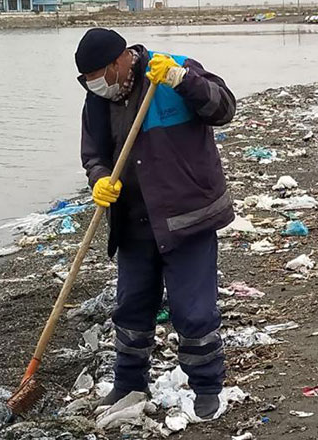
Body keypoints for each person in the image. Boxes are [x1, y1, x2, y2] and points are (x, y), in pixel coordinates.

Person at [73, 28, 236, 420]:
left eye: (98, 74)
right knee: (131, 308)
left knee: (194, 311)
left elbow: (224, 109)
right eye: (86, 79)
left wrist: (184, 82)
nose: (94, 84)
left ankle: (207, 387)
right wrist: (99, 180)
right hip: (132, 222)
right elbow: (93, 153)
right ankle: (129, 384)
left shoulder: (173, 71)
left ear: (120, 61)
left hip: (187, 218)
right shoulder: (98, 100)